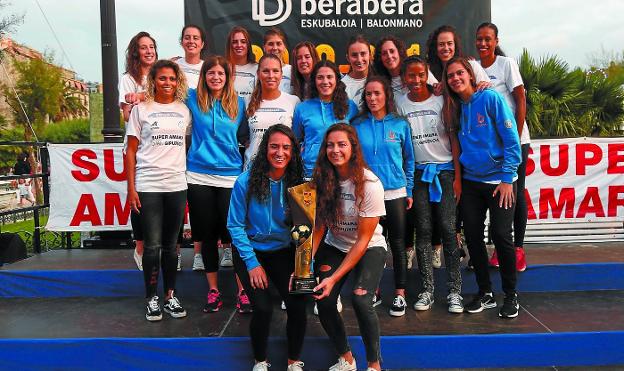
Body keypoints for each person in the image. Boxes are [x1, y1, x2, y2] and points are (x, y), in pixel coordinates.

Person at [442, 57, 521, 318]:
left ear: (470, 74)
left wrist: (508, 178)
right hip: (472, 182)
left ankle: (511, 295)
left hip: (500, 181)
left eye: (460, 73)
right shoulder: (456, 108)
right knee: (473, 237)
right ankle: (486, 293)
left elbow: (512, 140)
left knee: (500, 235)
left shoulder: (490, 98)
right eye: (451, 75)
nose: (455, 78)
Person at [227, 124, 307, 371]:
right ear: (265, 149)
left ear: (293, 151)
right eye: (274, 146)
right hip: (252, 251)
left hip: (284, 252)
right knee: (262, 308)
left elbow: (304, 232)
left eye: (286, 147)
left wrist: (303, 268)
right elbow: (235, 226)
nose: (279, 152)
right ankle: (260, 361)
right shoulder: (246, 181)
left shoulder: (300, 184)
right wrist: (252, 264)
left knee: (297, 305)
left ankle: (294, 361)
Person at [312, 123, 387, 371]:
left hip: (368, 247)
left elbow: (363, 241)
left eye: (342, 144)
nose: (335, 150)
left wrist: (333, 278)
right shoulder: (323, 178)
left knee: (362, 300)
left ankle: (374, 365)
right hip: (336, 244)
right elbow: (320, 227)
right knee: (323, 300)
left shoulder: (370, 183)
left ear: (353, 148)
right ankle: (347, 358)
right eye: (330, 145)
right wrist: (302, 265)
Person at [125, 59, 191, 322]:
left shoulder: (184, 111)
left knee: (172, 247)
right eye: (162, 78)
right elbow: (129, 152)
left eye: (172, 78)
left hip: (176, 184)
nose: (168, 83)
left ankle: (170, 296)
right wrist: (131, 188)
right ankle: (152, 297)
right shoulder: (140, 110)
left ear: (178, 82)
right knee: (151, 246)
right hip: (148, 184)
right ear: (153, 81)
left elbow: (183, 146)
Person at [185, 55, 251, 313]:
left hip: (229, 176)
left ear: (228, 78)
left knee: (235, 234)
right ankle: (213, 290)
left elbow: (245, 136)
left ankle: (243, 290)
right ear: (204, 76)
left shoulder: (239, 104)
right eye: (210, 73)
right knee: (208, 235)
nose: (215, 77)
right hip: (199, 175)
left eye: (220, 74)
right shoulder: (192, 98)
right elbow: (164, 89)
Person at [396, 56, 463, 313]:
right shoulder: (401, 104)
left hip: (444, 172)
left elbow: (454, 140)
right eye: (411, 76)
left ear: (427, 75)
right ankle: (427, 290)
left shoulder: (441, 100)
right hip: (418, 175)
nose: (416, 80)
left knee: (447, 229)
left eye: (420, 75)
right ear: (404, 78)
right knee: (423, 231)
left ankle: (455, 291)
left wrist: (457, 177)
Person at [351, 76, 414, 317]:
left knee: (397, 244)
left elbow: (409, 159)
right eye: (368, 94)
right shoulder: (357, 124)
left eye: (377, 93)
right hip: (367, 193)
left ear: (387, 95)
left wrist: (408, 189)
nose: (372, 98)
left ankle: (400, 294)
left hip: (395, 191)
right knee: (368, 245)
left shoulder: (400, 124)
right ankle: (372, 290)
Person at [476, 22, 530, 272]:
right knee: (499, 195)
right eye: (479, 39)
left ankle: (516, 248)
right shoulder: (474, 67)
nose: (483, 43)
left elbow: (520, 98)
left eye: (488, 39)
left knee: (515, 194)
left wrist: (515, 138)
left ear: (496, 41)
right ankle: (501, 244)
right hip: (491, 145)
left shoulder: (506, 65)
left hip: (514, 141)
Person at [119, 31, 158, 271]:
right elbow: (125, 114)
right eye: (144, 47)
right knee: (138, 198)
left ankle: (163, 249)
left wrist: (141, 97)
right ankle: (141, 246)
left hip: (160, 146)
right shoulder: (127, 79)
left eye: (152, 46)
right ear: (136, 52)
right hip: (137, 145)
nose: (149, 51)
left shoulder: (161, 75)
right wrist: (143, 99)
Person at [293, 60, 358, 179]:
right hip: (311, 172)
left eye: (329, 77)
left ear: (337, 80)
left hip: (342, 172)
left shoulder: (350, 106)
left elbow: (356, 139)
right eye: (320, 77)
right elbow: (296, 139)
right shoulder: (302, 108)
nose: (325, 82)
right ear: (314, 81)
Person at [240, 54, 300, 168]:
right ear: (258, 74)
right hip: (252, 170)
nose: (271, 75)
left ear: (282, 75)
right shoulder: (246, 101)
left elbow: (297, 138)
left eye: (275, 71)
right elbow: (242, 135)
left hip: (282, 170)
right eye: (266, 71)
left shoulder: (293, 101)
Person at [426, 25, 490, 94]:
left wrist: (485, 86)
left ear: (455, 46)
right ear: (435, 47)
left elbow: (488, 91)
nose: (446, 48)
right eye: (441, 44)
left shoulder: (472, 65)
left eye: (450, 43)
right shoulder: (427, 72)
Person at [226, 26, 257, 103]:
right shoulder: (224, 68)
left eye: (243, 41)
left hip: (252, 112)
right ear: (230, 45)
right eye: (235, 42)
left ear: (248, 45)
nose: (239, 45)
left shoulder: (258, 68)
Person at [341, 35, 372, 108]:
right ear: (348, 58)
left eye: (363, 54)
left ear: (370, 55)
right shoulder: (342, 85)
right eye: (354, 55)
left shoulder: (381, 80)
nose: (359, 59)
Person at [173, 24, 207, 89]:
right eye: (187, 38)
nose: (191, 41)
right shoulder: (174, 65)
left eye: (195, 38)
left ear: (202, 44)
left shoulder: (208, 67)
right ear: (182, 42)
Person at [263, 27, 293, 94]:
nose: (275, 48)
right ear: (264, 47)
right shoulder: (257, 70)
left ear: (284, 47)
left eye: (278, 44)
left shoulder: (292, 71)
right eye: (270, 44)